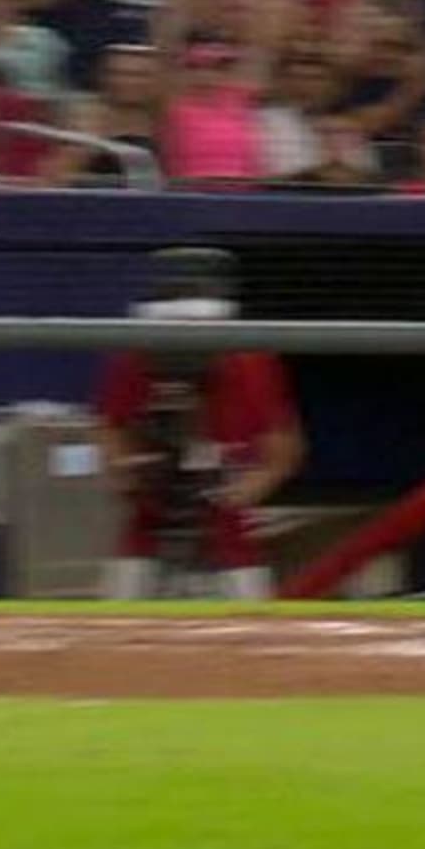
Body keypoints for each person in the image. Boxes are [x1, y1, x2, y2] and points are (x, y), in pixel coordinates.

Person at [94, 249, 303, 601]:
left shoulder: (253, 363)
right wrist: (125, 469)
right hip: (146, 534)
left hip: (231, 541)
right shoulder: (134, 360)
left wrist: (239, 492)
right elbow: (108, 427)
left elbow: (285, 449)